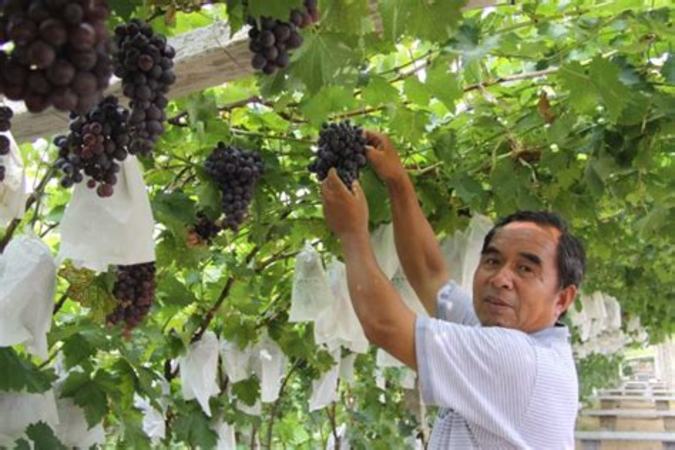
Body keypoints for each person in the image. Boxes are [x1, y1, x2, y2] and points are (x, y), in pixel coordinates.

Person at [319, 130, 586, 449]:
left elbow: (384, 325)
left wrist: (351, 233)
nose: (501, 278)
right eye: (492, 261)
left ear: (563, 298)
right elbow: (430, 274)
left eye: (525, 269)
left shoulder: (518, 359)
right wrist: (397, 181)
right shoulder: (517, 340)